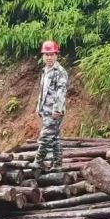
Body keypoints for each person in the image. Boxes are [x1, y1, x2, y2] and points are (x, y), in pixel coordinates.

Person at [34, 39, 68, 171]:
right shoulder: (45, 71)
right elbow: (42, 91)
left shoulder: (60, 72)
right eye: (46, 55)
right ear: (43, 56)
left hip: (54, 111)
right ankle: (57, 164)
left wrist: (57, 109)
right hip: (45, 110)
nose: (49, 57)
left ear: (56, 55)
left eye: (51, 54)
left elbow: (61, 92)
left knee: (45, 136)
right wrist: (39, 107)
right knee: (55, 137)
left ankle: (38, 162)